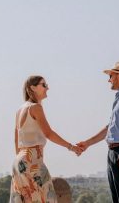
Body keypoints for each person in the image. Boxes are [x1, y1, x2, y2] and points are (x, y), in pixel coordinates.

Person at [77, 61, 119, 203]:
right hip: (114, 152)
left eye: (111, 76)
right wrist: (88, 143)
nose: (109, 80)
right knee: (117, 198)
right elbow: (110, 128)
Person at [11, 75, 82, 203]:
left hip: (19, 162)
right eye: (43, 85)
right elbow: (48, 133)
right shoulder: (35, 108)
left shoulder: (20, 110)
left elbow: (16, 140)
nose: (47, 88)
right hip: (32, 160)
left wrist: (22, 163)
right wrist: (71, 147)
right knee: (46, 199)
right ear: (32, 88)